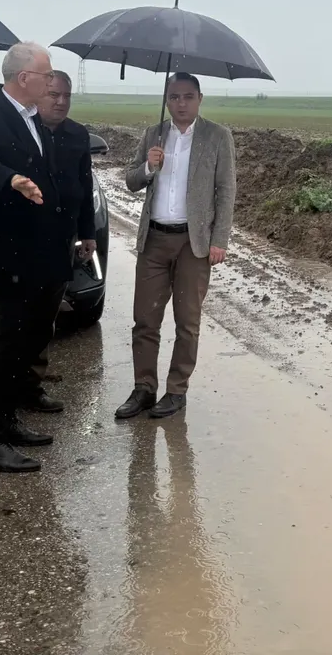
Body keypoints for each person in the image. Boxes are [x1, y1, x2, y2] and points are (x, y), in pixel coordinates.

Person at [0, 42, 74, 473]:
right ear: (24, 78)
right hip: (10, 254)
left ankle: (8, 422)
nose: (52, 82)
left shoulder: (33, 120)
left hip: (40, 254)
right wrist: (11, 179)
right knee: (6, 347)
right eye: (46, 75)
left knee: (27, 343)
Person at [0, 70, 96, 427]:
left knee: (41, 321)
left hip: (58, 241)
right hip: (21, 245)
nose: (60, 101)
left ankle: (25, 387)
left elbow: (83, 188)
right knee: (5, 325)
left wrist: (87, 233)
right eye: (52, 93)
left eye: (66, 95)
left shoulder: (76, 135)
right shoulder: (15, 127)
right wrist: (13, 181)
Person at [115, 72, 236, 420]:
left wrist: (219, 240)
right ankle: (144, 388)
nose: (180, 104)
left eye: (187, 97)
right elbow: (130, 182)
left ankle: (177, 390)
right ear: (166, 100)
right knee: (145, 320)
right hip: (154, 239)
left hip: (192, 244)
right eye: (174, 97)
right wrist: (148, 168)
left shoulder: (217, 137)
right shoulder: (154, 134)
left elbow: (226, 191)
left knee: (187, 322)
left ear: (200, 99)